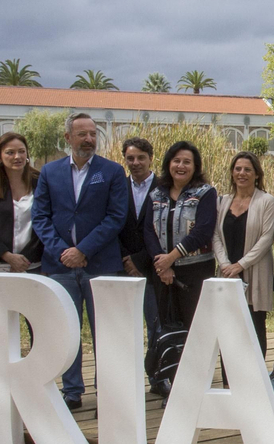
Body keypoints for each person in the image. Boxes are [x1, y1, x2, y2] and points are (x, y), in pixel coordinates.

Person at [32, 112, 130, 409]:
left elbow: (116, 217)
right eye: (82, 134)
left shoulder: (112, 172)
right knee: (66, 330)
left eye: (92, 134)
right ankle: (72, 391)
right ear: (68, 138)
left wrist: (83, 250)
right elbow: (40, 217)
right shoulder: (49, 172)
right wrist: (63, 250)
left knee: (105, 331)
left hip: (100, 264)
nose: (89, 139)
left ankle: (108, 390)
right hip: (60, 265)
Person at [144, 139, 218, 335]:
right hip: (163, 274)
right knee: (168, 330)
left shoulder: (205, 193)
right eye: (176, 161)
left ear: (195, 167)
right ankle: (171, 367)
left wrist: (171, 257)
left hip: (196, 272)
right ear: (169, 163)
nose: (181, 166)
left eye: (187, 162)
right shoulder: (156, 194)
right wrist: (162, 264)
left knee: (197, 330)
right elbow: (148, 231)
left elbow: (203, 231)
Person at [212, 151, 274, 357]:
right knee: (228, 331)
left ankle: (256, 386)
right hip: (227, 274)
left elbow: (266, 239)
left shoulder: (267, 201)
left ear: (257, 174)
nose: (242, 173)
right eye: (237, 169)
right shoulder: (222, 201)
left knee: (255, 329)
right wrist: (224, 264)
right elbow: (215, 236)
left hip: (255, 274)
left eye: (247, 169)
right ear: (232, 173)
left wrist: (240, 265)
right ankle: (229, 383)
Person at [0, 132, 43, 273]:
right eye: (10, 152)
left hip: (33, 265)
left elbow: (46, 222)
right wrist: (7, 256)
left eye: (21, 151)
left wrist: (24, 259)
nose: (17, 157)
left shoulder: (40, 183)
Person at [118, 137, 160, 348]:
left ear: (150, 159)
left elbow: (164, 231)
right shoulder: (117, 187)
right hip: (122, 267)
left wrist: (140, 260)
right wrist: (127, 259)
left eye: (141, 158)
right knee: (124, 326)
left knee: (156, 325)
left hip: (153, 267)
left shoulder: (164, 187)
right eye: (130, 158)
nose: (135, 162)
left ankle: (157, 376)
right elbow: (112, 224)